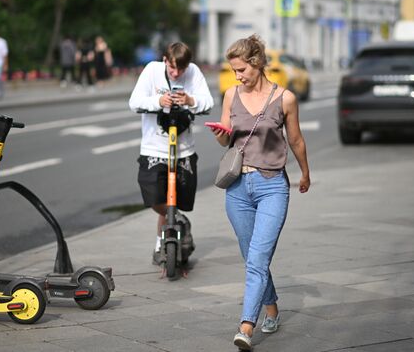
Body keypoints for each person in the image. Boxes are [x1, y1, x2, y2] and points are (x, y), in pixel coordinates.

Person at [207, 34, 310, 351]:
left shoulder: (285, 99)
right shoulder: (230, 95)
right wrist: (221, 135)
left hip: (272, 187)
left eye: (241, 70)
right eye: (234, 70)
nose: (237, 76)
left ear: (257, 63)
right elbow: (226, 141)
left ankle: (246, 327)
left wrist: (306, 172)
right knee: (252, 257)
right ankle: (272, 308)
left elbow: (295, 141)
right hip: (237, 188)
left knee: (257, 259)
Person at [129, 42, 214, 265]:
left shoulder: (193, 72)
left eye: (181, 70)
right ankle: (180, 221)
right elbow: (134, 102)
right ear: (165, 60)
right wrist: (159, 101)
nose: (176, 74)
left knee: (178, 198)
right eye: (172, 68)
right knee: (155, 197)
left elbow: (209, 102)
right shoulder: (151, 70)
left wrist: (190, 100)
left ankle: (161, 243)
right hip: (153, 148)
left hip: (184, 150)